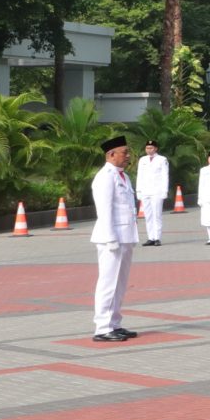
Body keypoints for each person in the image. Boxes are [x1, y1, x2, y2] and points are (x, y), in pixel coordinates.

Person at [89, 136, 140, 342]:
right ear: (111, 155)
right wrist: (111, 238)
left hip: (125, 236)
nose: (128, 156)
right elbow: (105, 210)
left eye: (128, 152)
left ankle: (114, 323)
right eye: (124, 152)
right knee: (108, 282)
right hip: (112, 238)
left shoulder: (123, 176)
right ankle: (102, 327)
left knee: (120, 283)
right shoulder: (105, 177)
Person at [133, 140, 171, 246]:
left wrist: (165, 191)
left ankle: (157, 238)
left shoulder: (162, 159)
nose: (149, 150)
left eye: (151, 148)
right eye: (147, 148)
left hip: (157, 191)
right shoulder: (142, 160)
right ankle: (151, 237)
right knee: (148, 215)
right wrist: (138, 190)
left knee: (156, 215)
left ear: (156, 149)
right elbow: (139, 176)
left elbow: (165, 176)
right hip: (145, 190)